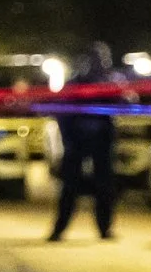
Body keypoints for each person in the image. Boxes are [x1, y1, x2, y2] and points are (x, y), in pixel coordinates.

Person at [48, 42, 122, 243]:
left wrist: (117, 90)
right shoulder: (76, 83)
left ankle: (104, 228)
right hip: (77, 141)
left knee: (104, 186)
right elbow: (62, 113)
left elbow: (127, 103)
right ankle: (59, 228)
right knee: (70, 186)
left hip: (102, 141)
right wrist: (68, 139)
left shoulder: (111, 83)